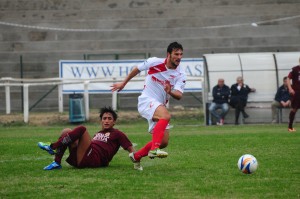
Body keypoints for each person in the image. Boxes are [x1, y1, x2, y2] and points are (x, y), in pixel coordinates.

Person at [111, 42, 186, 165]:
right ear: (169, 54)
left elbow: (179, 95)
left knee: (164, 142)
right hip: (146, 100)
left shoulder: (181, 73)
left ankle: (136, 156)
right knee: (166, 116)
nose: (179, 57)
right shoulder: (154, 62)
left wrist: (170, 92)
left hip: (158, 106)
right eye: (176, 54)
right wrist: (123, 83)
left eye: (181, 54)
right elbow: (137, 69)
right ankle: (154, 150)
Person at [37, 107, 142, 170]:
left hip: (95, 160)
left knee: (82, 129)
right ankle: (57, 162)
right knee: (66, 131)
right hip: (83, 158)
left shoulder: (118, 133)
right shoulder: (98, 133)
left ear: (114, 122)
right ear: (101, 120)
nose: (106, 121)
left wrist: (137, 162)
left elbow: (130, 148)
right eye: (104, 118)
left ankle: (52, 146)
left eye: (110, 119)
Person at [287, 58, 300, 132]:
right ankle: (290, 127)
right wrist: (290, 88)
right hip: (297, 92)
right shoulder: (295, 69)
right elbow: (288, 78)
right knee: (294, 109)